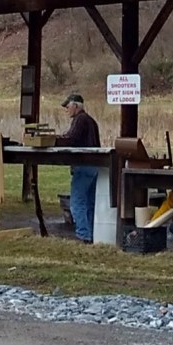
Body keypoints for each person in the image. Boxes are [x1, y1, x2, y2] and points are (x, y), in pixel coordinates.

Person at [56, 93, 101, 244]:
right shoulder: (90, 120)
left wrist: (54, 140)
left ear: (75, 106)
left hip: (83, 165)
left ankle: (83, 235)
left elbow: (71, 139)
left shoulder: (80, 119)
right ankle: (92, 235)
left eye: (68, 106)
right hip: (94, 165)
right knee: (89, 203)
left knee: (77, 203)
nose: (66, 110)